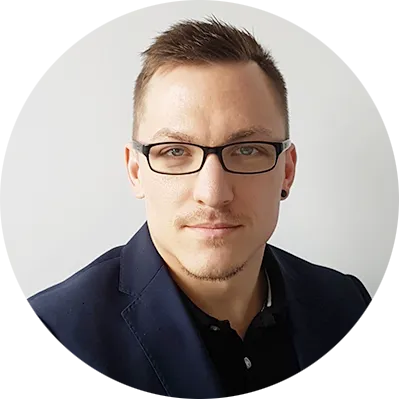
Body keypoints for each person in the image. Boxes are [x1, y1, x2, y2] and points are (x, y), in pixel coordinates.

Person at [26, 15, 374, 399]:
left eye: (246, 150)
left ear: (287, 171)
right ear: (136, 171)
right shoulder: (49, 342)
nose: (213, 193)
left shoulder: (349, 306)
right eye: (175, 151)